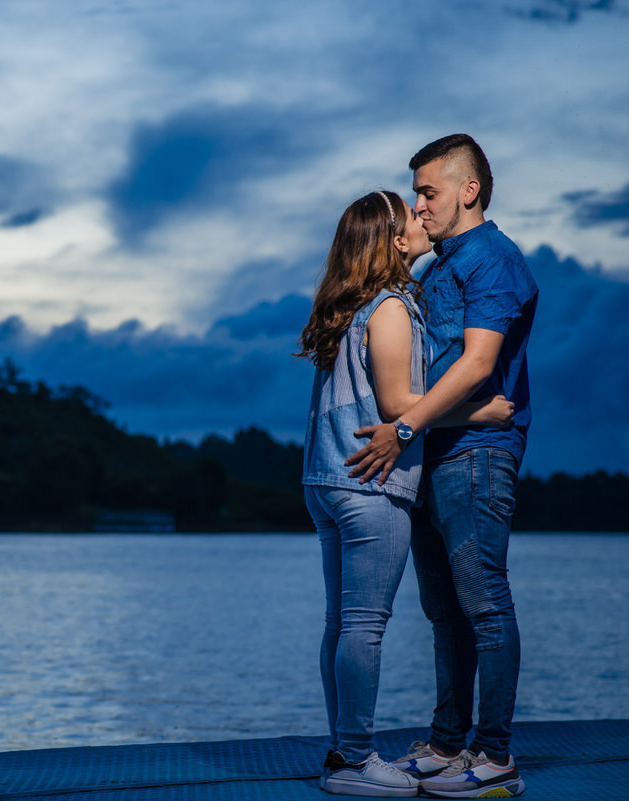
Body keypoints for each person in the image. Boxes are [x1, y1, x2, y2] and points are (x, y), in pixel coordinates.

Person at [299, 189, 513, 797]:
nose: (422, 217)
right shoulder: (389, 307)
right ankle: (354, 758)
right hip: (369, 485)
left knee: (341, 623)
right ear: (396, 241)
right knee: (364, 625)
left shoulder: (345, 308)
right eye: (410, 213)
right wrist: (480, 411)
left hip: (325, 480)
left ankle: (342, 752)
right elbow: (398, 406)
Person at [346, 134, 538, 798]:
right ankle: (449, 743)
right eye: (416, 194)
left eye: (428, 192)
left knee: (484, 601)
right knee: (444, 611)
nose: (419, 206)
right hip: (434, 451)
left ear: (469, 190)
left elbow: (479, 364)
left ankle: (496, 756)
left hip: (479, 454)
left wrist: (404, 427)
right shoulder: (434, 270)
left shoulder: (494, 260)